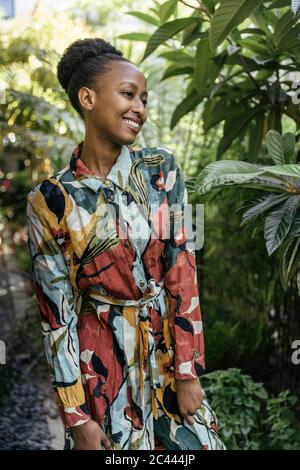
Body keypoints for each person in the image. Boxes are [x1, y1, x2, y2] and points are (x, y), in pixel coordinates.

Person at [26, 38, 226, 451]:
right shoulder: (49, 199)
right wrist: (77, 416)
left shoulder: (161, 170)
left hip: (166, 359)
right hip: (101, 373)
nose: (140, 109)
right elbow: (56, 316)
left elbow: (181, 272)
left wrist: (188, 372)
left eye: (145, 99)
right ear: (88, 97)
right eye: (128, 94)